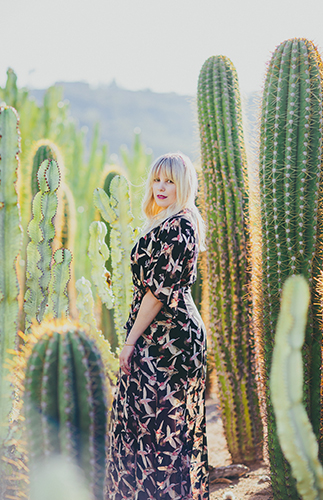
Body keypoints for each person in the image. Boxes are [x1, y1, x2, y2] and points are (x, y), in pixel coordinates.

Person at [106, 153, 209, 500]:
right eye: (157, 180)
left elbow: (157, 293)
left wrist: (130, 341)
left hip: (169, 341)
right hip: (159, 335)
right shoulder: (166, 220)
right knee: (150, 432)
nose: (161, 187)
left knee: (159, 436)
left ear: (184, 186)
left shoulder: (179, 226)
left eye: (170, 181)